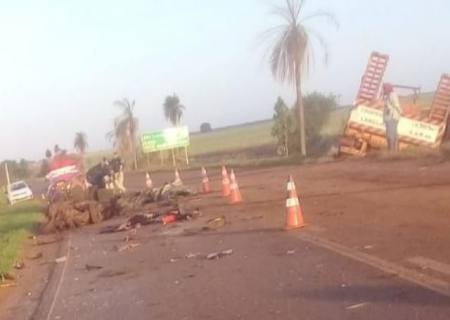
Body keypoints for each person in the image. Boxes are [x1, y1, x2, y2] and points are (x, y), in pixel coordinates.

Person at [383, 83, 402, 151]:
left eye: (384, 88)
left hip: (392, 117)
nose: (383, 90)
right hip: (390, 117)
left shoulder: (392, 95)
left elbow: (396, 104)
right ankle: (394, 151)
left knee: (391, 135)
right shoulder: (388, 95)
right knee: (392, 134)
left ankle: (392, 152)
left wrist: (401, 112)